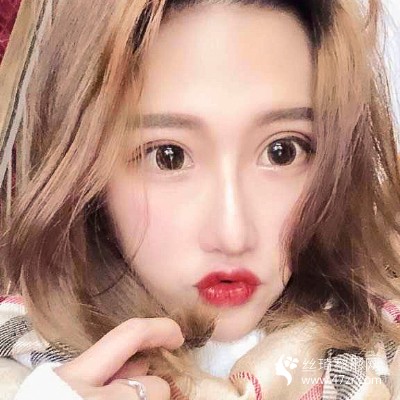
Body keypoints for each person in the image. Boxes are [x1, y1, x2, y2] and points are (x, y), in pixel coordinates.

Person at [1, 0, 400, 399]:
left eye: (282, 152)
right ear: (87, 173)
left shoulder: (381, 356)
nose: (232, 235)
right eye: (168, 157)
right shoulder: (18, 361)